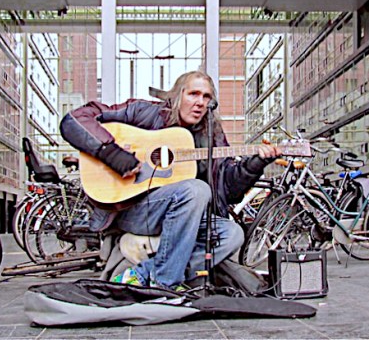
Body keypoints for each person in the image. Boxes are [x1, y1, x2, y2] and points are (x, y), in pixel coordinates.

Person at [59, 70, 280, 291]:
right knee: (196, 190)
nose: (200, 102)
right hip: (132, 209)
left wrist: (255, 164)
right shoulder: (144, 112)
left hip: (181, 215)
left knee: (232, 234)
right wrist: (112, 154)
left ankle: (144, 273)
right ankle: (164, 284)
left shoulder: (212, 135)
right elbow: (75, 120)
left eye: (206, 97)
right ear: (177, 95)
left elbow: (227, 189)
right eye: (193, 94)